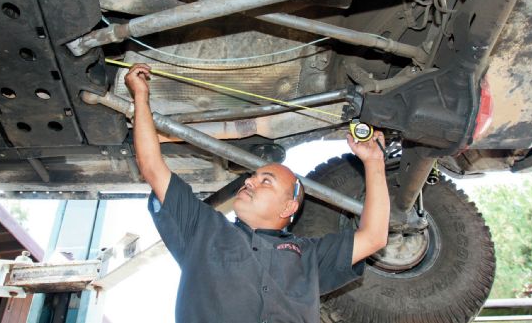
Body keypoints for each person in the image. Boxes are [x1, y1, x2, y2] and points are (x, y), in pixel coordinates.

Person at [125, 64, 390, 323]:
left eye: (266, 181)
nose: (249, 182)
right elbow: (152, 166)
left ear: (288, 208)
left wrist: (374, 161)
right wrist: (140, 96)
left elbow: (374, 237)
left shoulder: (309, 256)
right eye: (252, 177)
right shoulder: (203, 228)